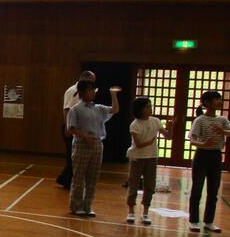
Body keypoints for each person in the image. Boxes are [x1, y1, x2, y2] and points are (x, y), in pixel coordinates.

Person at [66, 80, 121, 216]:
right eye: (90, 90)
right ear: (83, 91)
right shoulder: (75, 109)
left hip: (97, 144)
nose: (93, 93)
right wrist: (85, 136)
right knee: (79, 176)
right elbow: (70, 129)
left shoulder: (98, 108)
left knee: (93, 177)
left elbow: (115, 110)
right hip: (81, 144)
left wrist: (113, 94)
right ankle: (76, 206)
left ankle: (87, 206)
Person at [188, 90, 230, 233]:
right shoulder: (200, 120)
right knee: (197, 190)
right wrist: (204, 144)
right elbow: (192, 140)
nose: (220, 102)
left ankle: (209, 221)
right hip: (202, 156)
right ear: (207, 103)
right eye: (217, 99)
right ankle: (194, 221)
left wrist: (223, 131)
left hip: (216, 156)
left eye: (220, 99)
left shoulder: (222, 120)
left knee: (213, 191)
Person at [125, 97, 174, 225]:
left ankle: (145, 213)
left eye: (150, 106)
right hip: (137, 158)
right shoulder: (135, 124)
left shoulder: (155, 121)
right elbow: (139, 144)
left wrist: (170, 128)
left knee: (150, 186)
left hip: (152, 157)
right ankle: (131, 211)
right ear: (140, 109)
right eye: (147, 107)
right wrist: (150, 141)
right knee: (133, 185)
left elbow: (168, 136)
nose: (150, 109)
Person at [56, 71, 96, 189]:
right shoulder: (72, 91)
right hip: (71, 127)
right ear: (85, 78)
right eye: (92, 81)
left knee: (75, 155)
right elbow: (67, 109)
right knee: (72, 155)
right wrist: (68, 126)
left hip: (79, 128)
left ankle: (65, 179)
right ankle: (67, 181)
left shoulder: (84, 92)